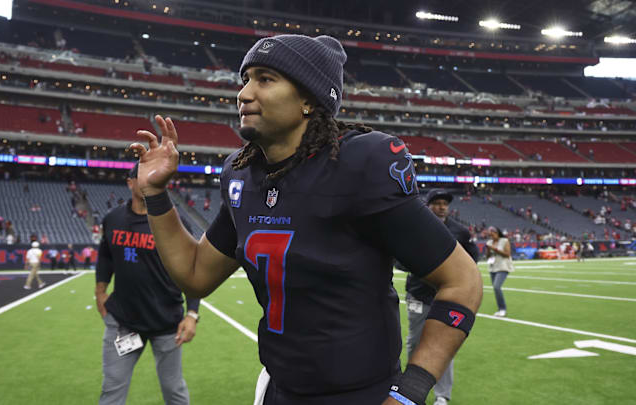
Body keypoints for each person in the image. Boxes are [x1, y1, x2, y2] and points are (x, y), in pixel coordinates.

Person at [130, 34, 482, 405]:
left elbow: (462, 281)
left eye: (265, 79)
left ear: (309, 100)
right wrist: (155, 194)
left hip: (360, 395)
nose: (245, 93)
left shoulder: (359, 165)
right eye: (246, 79)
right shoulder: (241, 174)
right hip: (280, 390)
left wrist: (410, 391)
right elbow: (195, 274)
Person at [96, 163, 199, 405]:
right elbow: (105, 255)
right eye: (141, 178)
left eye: (153, 178)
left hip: (166, 323)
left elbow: (191, 265)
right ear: (130, 182)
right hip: (124, 323)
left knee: (173, 389)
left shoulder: (175, 220)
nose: (147, 183)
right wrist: (100, 290)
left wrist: (192, 313)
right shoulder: (113, 218)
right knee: (112, 388)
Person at [404, 189, 480, 405]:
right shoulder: (415, 227)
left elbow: (473, 257)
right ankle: (411, 391)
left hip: (449, 296)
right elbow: (399, 258)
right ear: (428, 205)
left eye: (444, 203)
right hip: (418, 294)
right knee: (415, 342)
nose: (441, 207)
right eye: (436, 202)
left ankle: (442, 395)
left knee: (444, 346)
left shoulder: (460, 231)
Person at [485, 227, 513, 317]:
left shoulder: (504, 241)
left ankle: (502, 309)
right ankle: (500, 309)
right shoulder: (489, 242)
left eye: (493, 234)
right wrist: (489, 249)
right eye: (490, 235)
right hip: (493, 267)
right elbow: (488, 256)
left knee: (497, 287)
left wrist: (495, 249)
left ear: (497, 233)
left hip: (503, 267)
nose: (491, 236)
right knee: (495, 288)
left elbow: (507, 254)